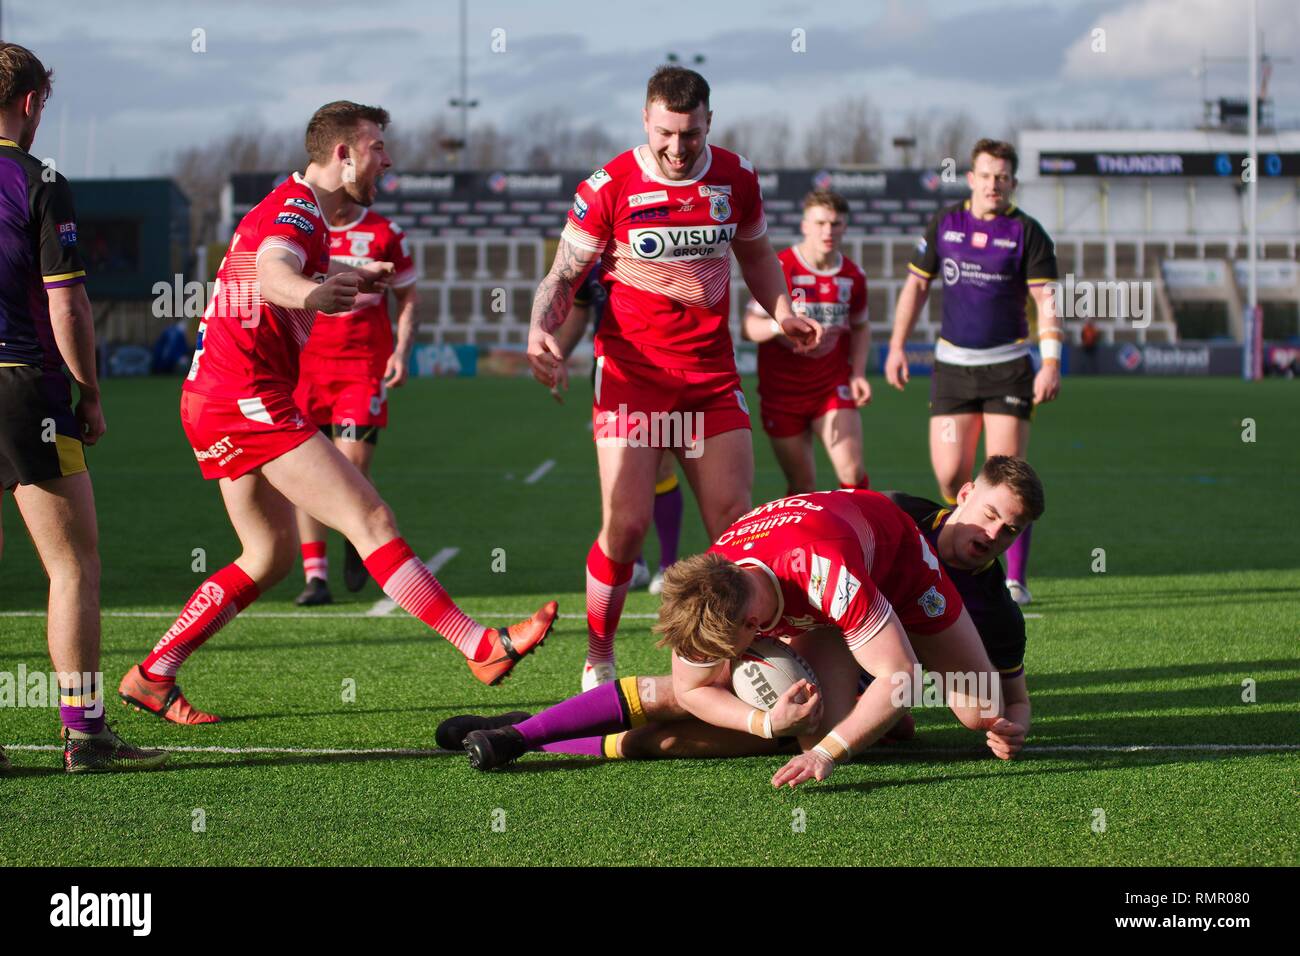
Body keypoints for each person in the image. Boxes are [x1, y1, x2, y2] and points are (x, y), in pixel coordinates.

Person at [116, 101, 556, 725]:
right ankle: (478, 645)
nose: (389, 158)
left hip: (214, 396)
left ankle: (153, 673)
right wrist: (315, 293)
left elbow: (279, 261)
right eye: (378, 146)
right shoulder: (296, 210)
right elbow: (273, 272)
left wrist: (349, 272)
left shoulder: (299, 208)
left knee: (266, 557)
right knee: (368, 513)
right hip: (246, 397)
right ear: (343, 153)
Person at [445, 465, 1043, 785]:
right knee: (753, 720)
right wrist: (762, 720)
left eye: (732, 649)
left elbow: (902, 675)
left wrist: (829, 754)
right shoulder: (710, 588)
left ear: (757, 623)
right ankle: (523, 735)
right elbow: (689, 688)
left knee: (970, 711)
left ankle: (541, 730)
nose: (728, 660)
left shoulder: (828, 576)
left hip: (897, 569)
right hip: (807, 590)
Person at [527, 65, 821, 691]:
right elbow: (562, 276)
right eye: (665, 133)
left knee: (736, 523)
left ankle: (737, 651)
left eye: (690, 134)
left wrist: (786, 311)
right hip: (633, 377)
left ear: (708, 121)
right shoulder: (608, 186)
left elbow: (758, 256)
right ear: (645, 119)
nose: (677, 148)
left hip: (712, 376)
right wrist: (539, 328)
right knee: (626, 523)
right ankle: (600, 654)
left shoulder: (736, 177)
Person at [0, 42, 165, 772]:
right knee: (72, 567)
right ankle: (86, 734)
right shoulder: (40, 181)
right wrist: (89, 390)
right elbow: (67, 303)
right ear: (32, 101)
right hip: (23, 386)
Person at [884, 139, 1061, 606]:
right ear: (971, 179)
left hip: (1008, 368)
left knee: (1007, 476)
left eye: (1002, 177)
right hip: (953, 370)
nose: (993, 184)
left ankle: (1013, 580)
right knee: (950, 477)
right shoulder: (946, 223)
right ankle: (958, 557)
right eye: (985, 175)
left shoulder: (1029, 232)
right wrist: (897, 346)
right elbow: (915, 288)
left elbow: (1047, 303)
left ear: (1012, 183)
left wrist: (1052, 361)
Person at [292, 196, 418, 605]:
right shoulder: (302, 230)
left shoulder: (385, 232)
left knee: (350, 466)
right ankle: (315, 577)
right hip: (304, 368)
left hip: (361, 369)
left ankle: (353, 532)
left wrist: (401, 351)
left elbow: (408, 296)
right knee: (308, 472)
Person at [552, 261, 684, 595]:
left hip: (663, 370)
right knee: (622, 473)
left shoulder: (661, 253)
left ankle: (668, 566)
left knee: (661, 465)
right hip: (611, 375)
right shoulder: (591, 265)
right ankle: (633, 563)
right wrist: (558, 357)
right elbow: (580, 314)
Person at [744, 189, 871, 493]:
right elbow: (750, 327)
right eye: (820, 223)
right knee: (802, 485)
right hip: (782, 393)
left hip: (830, 386)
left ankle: (865, 537)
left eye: (836, 224)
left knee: (852, 471)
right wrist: (781, 326)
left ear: (845, 227)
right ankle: (804, 542)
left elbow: (861, 327)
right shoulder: (780, 267)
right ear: (804, 225)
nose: (828, 231)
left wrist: (858, 373)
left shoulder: (853, 275)